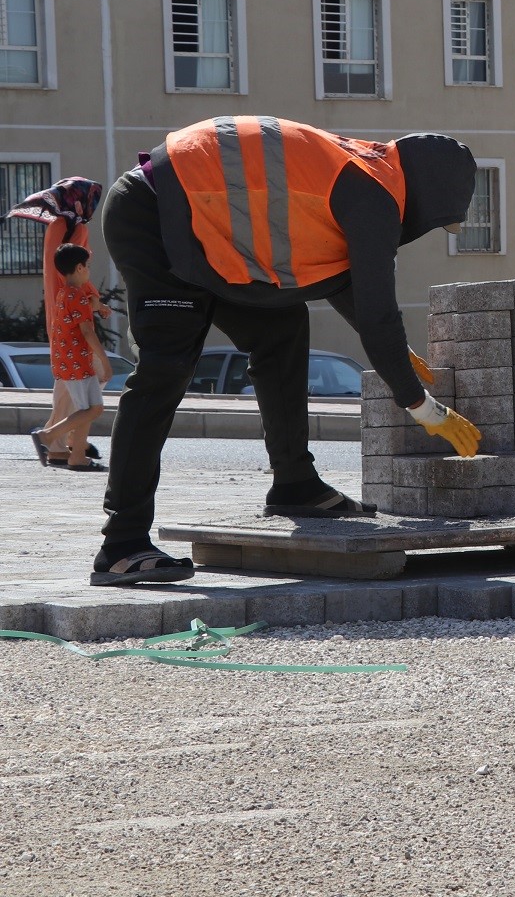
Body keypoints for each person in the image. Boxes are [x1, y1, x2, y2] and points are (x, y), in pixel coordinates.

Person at [90, 117, 484, 587]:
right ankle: (122, 544)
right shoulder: (376, 194)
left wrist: (394, 349)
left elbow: (344, 279)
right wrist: (419, 404)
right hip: (155, 213)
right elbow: (377, 307)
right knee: (164, 371)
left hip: (209, 231)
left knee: (283, 327)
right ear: (430, 197)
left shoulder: (371, 170)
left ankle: (295, 484)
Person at [6, 177, 104, 466]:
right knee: (73, 384)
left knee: (67, 385)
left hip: (61, 314)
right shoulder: (70, 227)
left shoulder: (61, 226)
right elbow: (71, 274)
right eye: (89, 198)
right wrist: (94, 300)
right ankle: (60, 440)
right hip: (72, 315)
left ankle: (67, 442)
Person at [32, 244, 111, 472]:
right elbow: (87, 332)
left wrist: (98, 305)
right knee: (89, 409)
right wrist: (105, 361)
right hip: (77, 362)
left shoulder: (65, 293)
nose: (88, 270)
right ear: (79, 267)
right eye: (87, 266)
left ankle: (76, 455)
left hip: (70, 360)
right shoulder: (76, 295)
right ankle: (48, 436)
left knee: (91, 408)